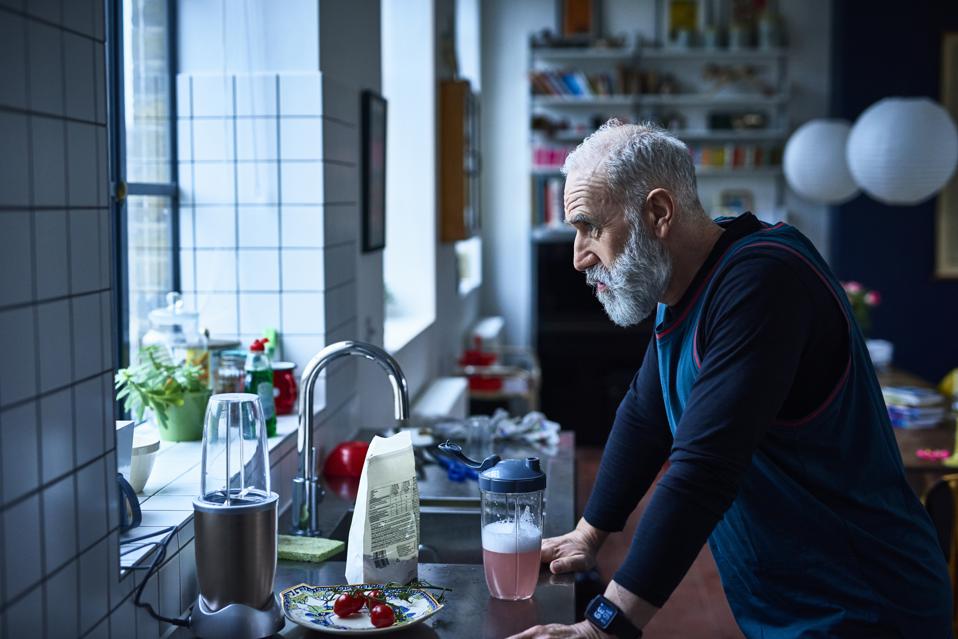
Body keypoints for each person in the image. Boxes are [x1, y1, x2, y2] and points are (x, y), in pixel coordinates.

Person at [508, 121, 952, 639]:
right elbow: (646, 414)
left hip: (864, 606)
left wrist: (602, 627)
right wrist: (588, 534)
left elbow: (702, 470)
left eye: (591, 227)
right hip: (790, 605)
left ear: (658, 213)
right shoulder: (684, 277)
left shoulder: (763, 282)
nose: (580, 256)